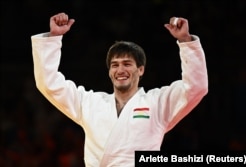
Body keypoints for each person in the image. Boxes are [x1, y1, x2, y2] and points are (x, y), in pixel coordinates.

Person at [31, 12, 208, 166]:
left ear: (141, 69)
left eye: (127, 64)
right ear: (109, 72)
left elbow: (196, 87)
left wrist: (185, 41)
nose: (120, 70)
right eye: (114, 65)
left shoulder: (157, 103)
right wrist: (54, 37)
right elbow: (49, 84)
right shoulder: (91, 103)